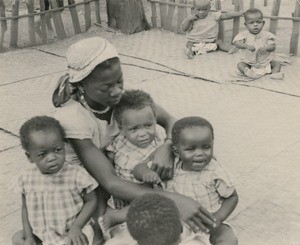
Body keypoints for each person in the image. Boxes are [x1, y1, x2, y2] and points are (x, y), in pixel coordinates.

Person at [51, 36, 217, 243]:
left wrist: (166, 146)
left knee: (191, 159)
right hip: (86, 184)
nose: (117, 91)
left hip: (117, 167)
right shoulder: (72, 117)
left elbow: (171, 121)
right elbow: (110, 182)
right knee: (101, 233)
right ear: (82, 85)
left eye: (119, 80)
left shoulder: (123, 96)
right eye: (105, 87)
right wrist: (175, 201)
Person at [11, 116, 98, 245]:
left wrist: (77, 226)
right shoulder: (26, 178)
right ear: (30, 157)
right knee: (17, 238)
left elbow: (92, 200)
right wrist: (29, 236)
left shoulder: (75, 174)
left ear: (64, 146)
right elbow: (25, 209)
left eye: (57, 150)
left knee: (79, 240)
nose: (52, 158)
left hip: (70, 232)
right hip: (42, 234)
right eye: (42, 154)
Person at [98, 89, 166, 240]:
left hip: (153, 188)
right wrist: (116, 192)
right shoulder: (117, 143)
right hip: (126, 190)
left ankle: (118, 219)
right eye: (134, 129)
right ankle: (115, 219)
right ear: (122, 128)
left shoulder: (160, 137)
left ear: (155, 119)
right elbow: (109, 168)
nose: (142, 133)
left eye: (148, 125)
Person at [165, 116, 239, 245]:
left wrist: (218, 218)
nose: (200, 153)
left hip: (211, 222)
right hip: (180, 222)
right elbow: (142, 168)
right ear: (176, 152)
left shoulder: (216, 172)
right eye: (191, 149)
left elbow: (232, 197)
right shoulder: (172, 167)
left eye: (206, 147)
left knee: (229, 239)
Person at [233, 8, 284, 79]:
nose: (255, 25)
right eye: (251, 23)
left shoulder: (267, 35)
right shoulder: (244, 35)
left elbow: (273, 46)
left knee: (277, 63)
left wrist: (267, 48)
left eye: (258, 22)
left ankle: (275, 73)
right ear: (246, 24)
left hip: (265, 62)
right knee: (240, 64)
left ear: (263, 23)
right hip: (249, 62)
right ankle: (248, 72)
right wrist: (246, 46)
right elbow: (236, 43)